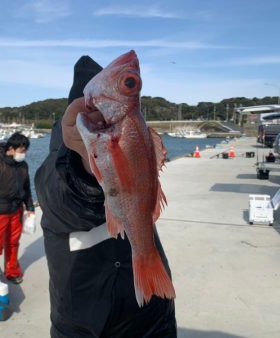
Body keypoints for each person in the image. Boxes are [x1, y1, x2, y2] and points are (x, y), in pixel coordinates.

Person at [35, 56, 177, 337]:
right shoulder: (57, 166)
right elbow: (59, 198)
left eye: (130, 84)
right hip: (83, 327)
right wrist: (86, 166)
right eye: (128, 84)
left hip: (154, 318)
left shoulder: (131, 129)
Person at [0, 132, 35, 284]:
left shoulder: (23, 165)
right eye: (22, 150)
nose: (24, 154)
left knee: (13, 242)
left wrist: (30, 207)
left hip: (16, 210)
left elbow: (26, 187)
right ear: (11, 148)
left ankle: (12, 271)